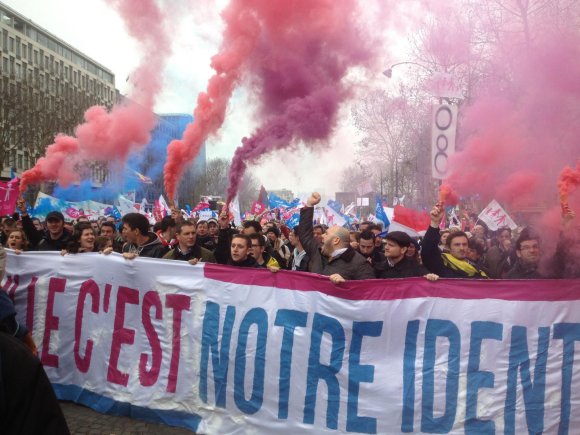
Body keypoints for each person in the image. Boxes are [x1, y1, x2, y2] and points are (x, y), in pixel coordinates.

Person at [297, 192, 375, 283]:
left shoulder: (360, 264)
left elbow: (368, 291)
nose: (322, 236)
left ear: (336, 240)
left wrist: (346, 285)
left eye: (326, 234)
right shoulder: (317, 252)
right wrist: (309, 205)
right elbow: (305, 235)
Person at [421, 201, 488, 279]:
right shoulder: (441, 265)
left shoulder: (477, 268)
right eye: (457, 244)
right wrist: (435, 222)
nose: (462, 248)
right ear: (449, 247)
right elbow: (428, 249)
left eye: (464, 244)